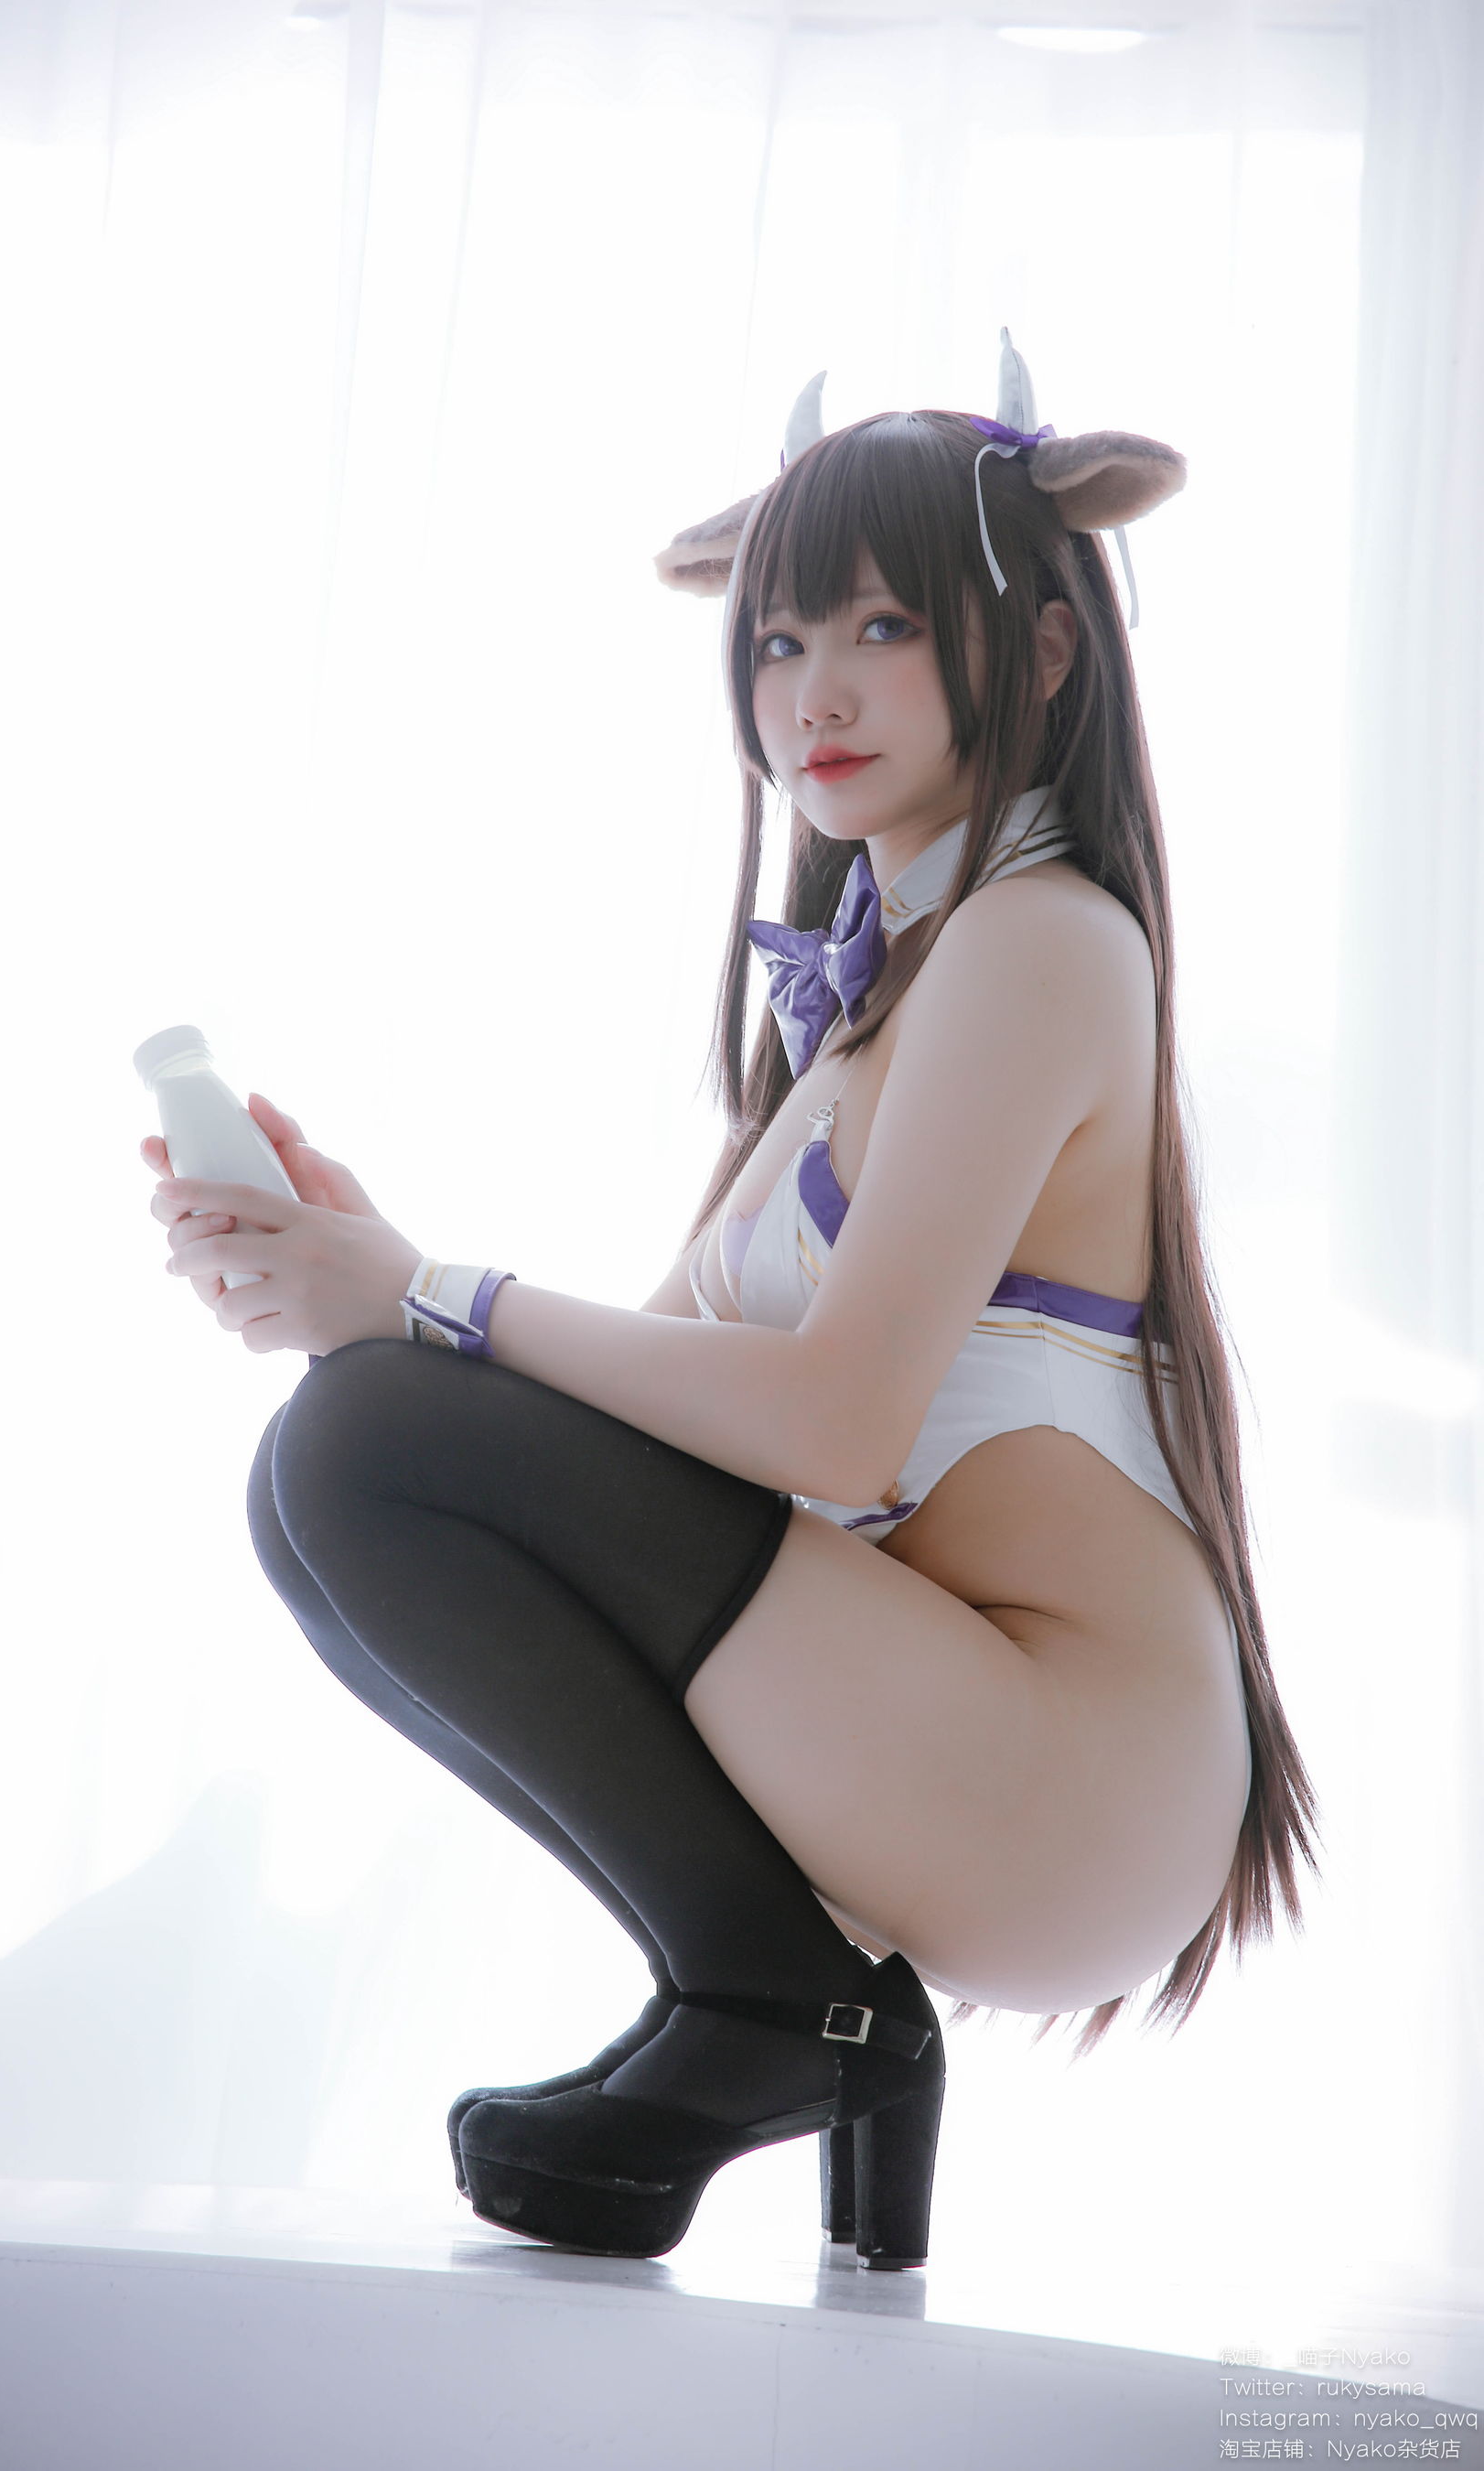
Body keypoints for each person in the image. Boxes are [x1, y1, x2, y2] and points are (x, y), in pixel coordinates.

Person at [142, 339, 1320, 2269]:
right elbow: (611, 1447)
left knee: (375, 1433)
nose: (813, 692)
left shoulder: (1041, 941)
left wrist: (427, 1302)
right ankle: (782, 1998)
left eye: (881, 626)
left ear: (1040, 652)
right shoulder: (875, 994)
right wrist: (358, 1272)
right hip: (940, 1714)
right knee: (333, 1462)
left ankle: (776, 2003)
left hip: (1068, 1767)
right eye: (778, 640)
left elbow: (839, 1425)